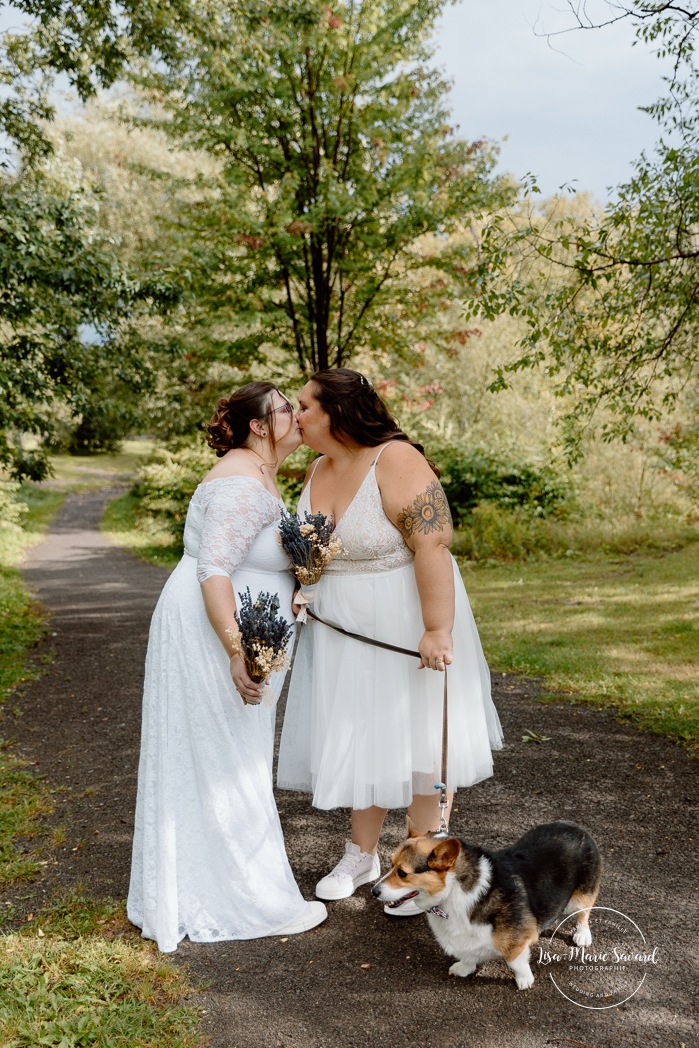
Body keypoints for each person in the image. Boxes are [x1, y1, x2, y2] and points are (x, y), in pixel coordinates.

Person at [277, 368, 503, 916]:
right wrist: (303, 586)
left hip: (406, 618)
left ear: (338, 413)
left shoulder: (395, 459)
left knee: (419, 736)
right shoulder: (317, 468)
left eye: (305, 406)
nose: (296, 415)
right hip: (344, 629)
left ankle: (423, 864)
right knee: (358, 734)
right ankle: (361, 855)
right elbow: (314, 553)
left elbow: (433, 544)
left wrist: (437, 629)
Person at [127, 382, 327, 952]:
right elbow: (214, 570)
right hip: (217, 635)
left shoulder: (257, 474)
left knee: (226, 754)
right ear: (261, 425)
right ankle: (247, 900)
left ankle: (208, 884)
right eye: (288, 407)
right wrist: (238, 650)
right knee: (226, 757)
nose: (297, 415)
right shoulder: (243, 481)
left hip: (230, 631)